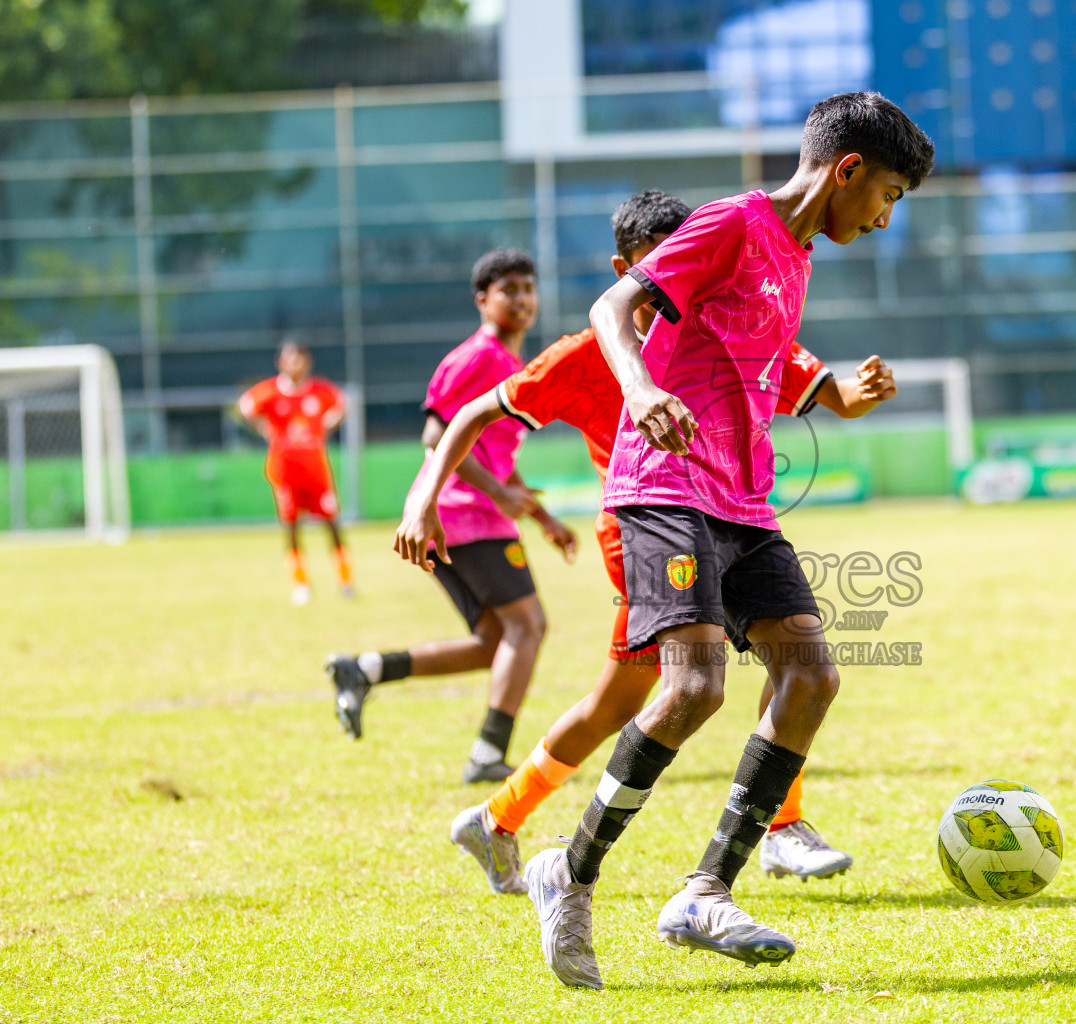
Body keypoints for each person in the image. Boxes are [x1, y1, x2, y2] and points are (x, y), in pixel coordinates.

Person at [520, 91, 933, 989]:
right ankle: (569, 869)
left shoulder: (798, 254)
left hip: (741, 502)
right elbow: (611, 310)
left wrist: (836, 392)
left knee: (813, 675)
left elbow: (744, 358)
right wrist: (636, 387)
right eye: (890, 195)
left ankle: (706, 890)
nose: (886, 216)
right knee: (695, 686)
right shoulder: (732, 223)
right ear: (848, 171)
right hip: (664, 487)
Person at [393, 189, 897, 900]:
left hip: (724, 517)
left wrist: (859, 388)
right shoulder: (586, 355)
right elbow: (472, 412)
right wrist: (422, 500)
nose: (679, 271)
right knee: (715, 680)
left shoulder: (726, 317)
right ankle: (773, 832)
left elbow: (828, 392)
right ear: (626, 267)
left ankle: (498, 816)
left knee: (630, 700)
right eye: (658, 260)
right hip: (648, 529)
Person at [326, 249, 577, 784]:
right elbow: (438, 437)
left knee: (496, 642)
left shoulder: (514, 367)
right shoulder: (477, 358)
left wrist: (541, 516)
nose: (523, 299)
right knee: (528, 627)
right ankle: (488, 754)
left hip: (461, 517)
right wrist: (494, 495)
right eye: (509, 289)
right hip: (460, 516)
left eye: (528, 288)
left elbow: (493, 458)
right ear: (483, 300)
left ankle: (366, 669)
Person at [238, 339, 350, 606]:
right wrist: (263, 427)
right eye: (290, 358)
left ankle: (345, 579)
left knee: (333, 525)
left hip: (316, 471)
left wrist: (329, 423)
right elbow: (244, 406)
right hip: (284, 471)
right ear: (280, 362)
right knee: (291, 527)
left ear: (307, 361)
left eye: (300, 357)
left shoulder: (320, 391)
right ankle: (301, 584)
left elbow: (341, 403)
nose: (295, 363)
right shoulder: (270, 393)